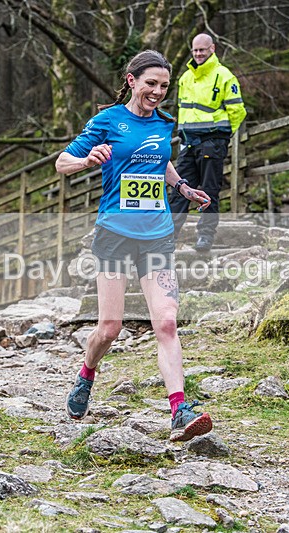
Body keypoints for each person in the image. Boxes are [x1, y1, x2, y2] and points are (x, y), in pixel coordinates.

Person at [55, 50, 214, 443]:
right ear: (131, 81)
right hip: (114, 233)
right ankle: (87, 373)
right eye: (151, 84)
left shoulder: (165, 124)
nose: (158, 92)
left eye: (164, 86)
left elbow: (159, 162)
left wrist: (181, 187)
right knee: (110, 329)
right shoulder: (108, 120)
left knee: (166, 320)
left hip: (157, 234)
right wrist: (87, 160)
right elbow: (61, 162)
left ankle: (179, 409)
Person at [169, 33, 247, 252]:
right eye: (194, 50)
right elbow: (183, 110)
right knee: (179, 189)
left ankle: (205, 237)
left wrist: (222, 137)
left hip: (212, 143)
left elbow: (237, 111)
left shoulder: (224, 76)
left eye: (202, 50)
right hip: (188, 144)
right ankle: (169, 237)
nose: (198, 54)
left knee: (209, 191)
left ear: (212, 49)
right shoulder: (185, 78)